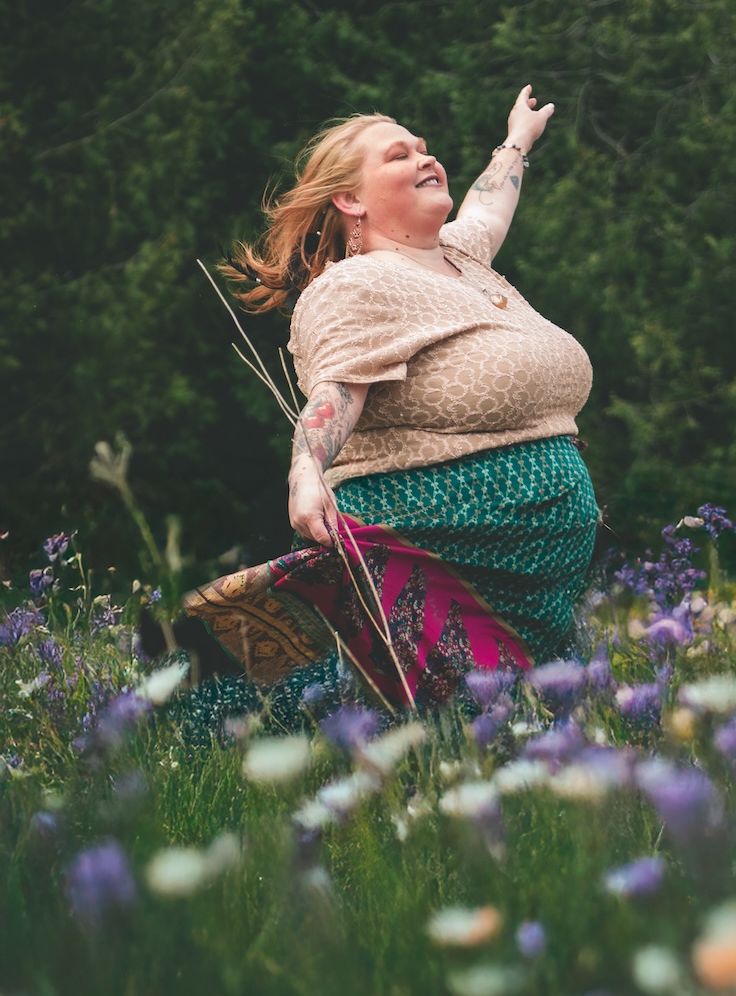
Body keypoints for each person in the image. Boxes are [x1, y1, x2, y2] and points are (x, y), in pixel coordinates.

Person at [181, 87, 598, 714]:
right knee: (438, 726)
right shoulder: (356, 283)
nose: (426, 159)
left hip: (532, 560)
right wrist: (305, 469)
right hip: (444, 540)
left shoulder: (459, 255)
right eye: (399, 155)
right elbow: (338, 391)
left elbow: (490, 207)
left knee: (507, 729)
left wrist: (517, 140)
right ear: (349, 199)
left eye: (425, 149)